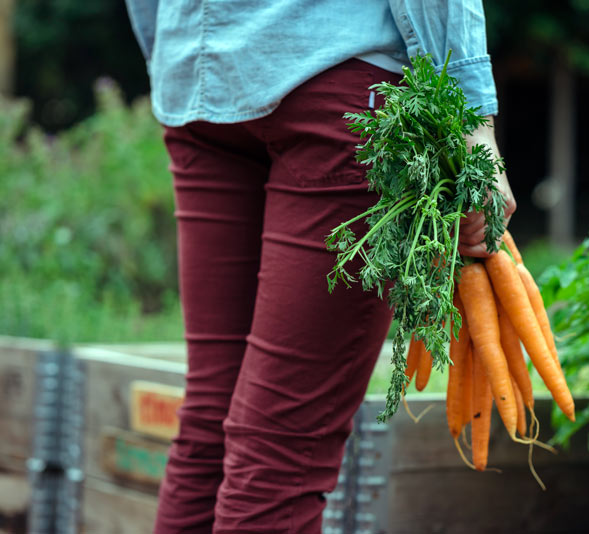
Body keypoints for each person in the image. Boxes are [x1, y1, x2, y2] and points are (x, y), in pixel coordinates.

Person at [123, 1, 516, 532]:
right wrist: (472, 120)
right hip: (334, 71)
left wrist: (172, 54)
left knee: (210, 428)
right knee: (281, 451)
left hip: (200, 81)